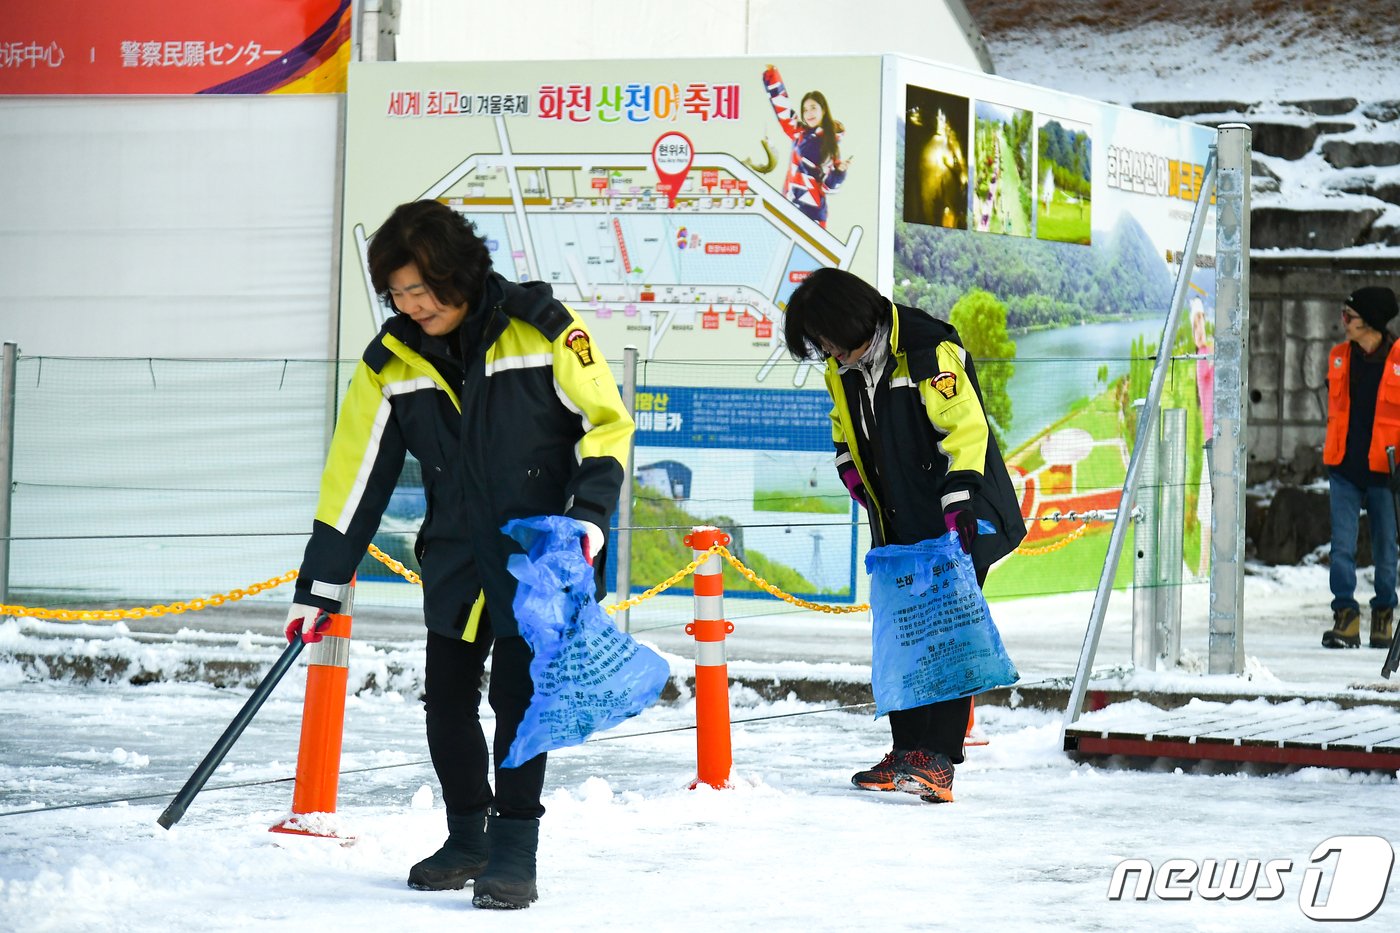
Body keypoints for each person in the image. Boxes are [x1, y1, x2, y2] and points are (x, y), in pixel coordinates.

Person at [285, 200, 634, 909]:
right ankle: (467, 835)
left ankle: (514, 849)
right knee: (445, 703)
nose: (412, 306)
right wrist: (321, 579)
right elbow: (356, 477)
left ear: (460, 274)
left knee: (518, 700)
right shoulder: (392, 361)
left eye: (423, 289)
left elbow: (607, 425)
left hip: (537, 557)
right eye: (399, 294)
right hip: (453, 559)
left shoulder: (541, 330)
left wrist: (590, 519)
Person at [782, 267, 1025, 802]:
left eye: (827, 340)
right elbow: (842, 423)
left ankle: (937, 759)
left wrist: (959, 497)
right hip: (894, 515)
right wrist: (849, 466)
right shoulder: (842, 366)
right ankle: (906, 750)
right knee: (903, 632)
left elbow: (965, 428)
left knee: (944, 636)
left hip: (950, 516)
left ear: (850, 321)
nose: (828, 352)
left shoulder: (925, 349)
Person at [1322, 285, 1400, 651]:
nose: (1343, 322)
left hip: (1386, 473)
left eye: (1349, 316)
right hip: (1345, 468)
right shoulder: (1339, 356)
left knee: (1386, 550)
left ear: (1369, 322)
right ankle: (1346, 617)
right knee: (1341, 547)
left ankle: (1383, 615)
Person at [762, 64, 852, 228]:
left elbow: (828, 187)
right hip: (789, 205)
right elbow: (783, 109)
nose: (809, 113)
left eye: (813, 108)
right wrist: (772, 76)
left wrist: (839, 173)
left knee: (809, 254)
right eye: (805, 109)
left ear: (823, 110)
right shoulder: (798, 132)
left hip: (813, 213)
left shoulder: (832, 144)